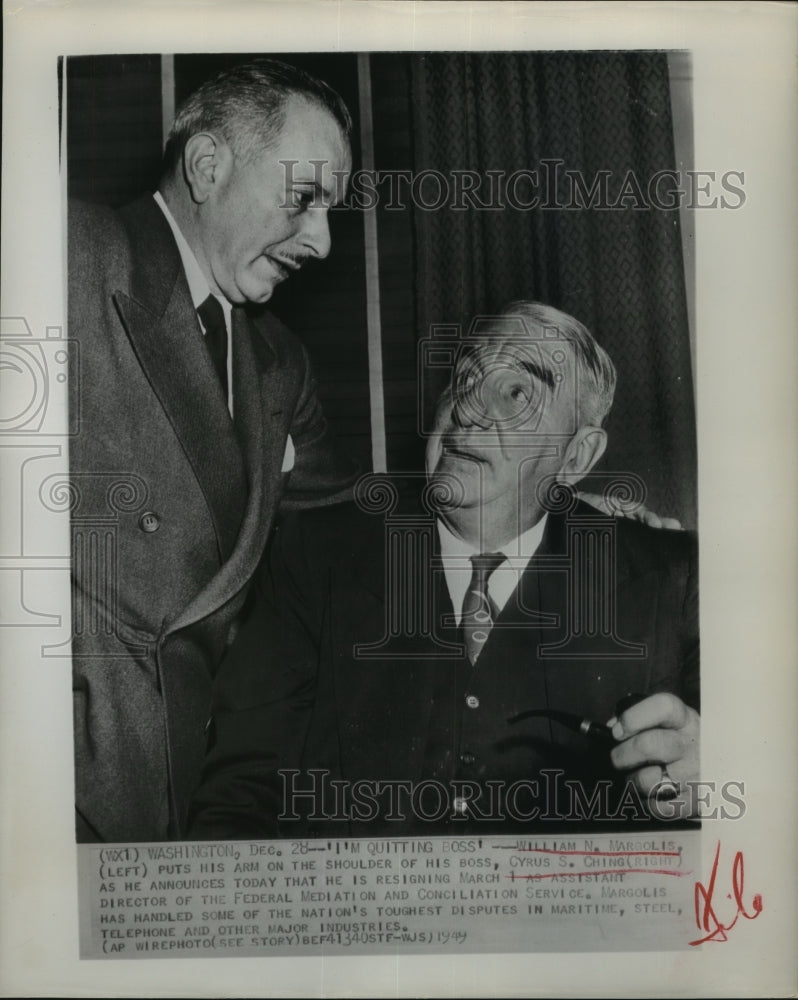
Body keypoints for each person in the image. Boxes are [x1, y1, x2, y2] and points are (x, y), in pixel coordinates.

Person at [187, 301, 700, 839]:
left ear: (576, 457)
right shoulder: (317, 555)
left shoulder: (672, 578)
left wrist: (720, 770)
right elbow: (240, 798)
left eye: (517, 394)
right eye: (466, 379)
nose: (471, 409)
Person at [69, 59, 358, 843]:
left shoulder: (281, 364)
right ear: (206, 165)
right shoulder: (68, 256)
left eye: (331, 210)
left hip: (189, 796)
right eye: (304, 200)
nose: (324, 241)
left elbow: (340, 542)